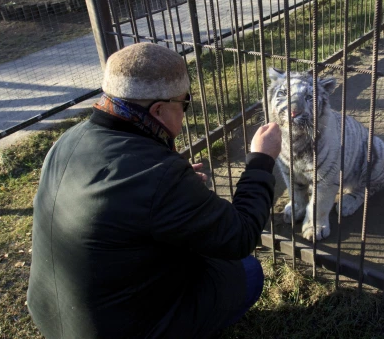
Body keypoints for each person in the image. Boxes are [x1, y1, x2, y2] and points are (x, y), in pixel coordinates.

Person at [27, 43, 282, 339]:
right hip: (119, 331)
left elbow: (127, 197)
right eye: (184, 103)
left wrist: (173, 185)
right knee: (247, 271)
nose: (185, 112)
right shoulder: (159, 176)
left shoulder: (69, 140)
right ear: (159, 110)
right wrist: (261, 161)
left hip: (53, 315)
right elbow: (240, 236)